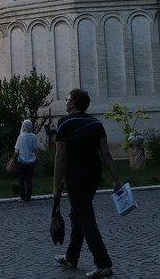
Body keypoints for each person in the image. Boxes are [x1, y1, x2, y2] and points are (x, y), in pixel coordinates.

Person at [53, 89, 124, 279]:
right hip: (93, 176)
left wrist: (56, 186)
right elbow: (105, 153)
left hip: (75, 176)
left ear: (73, 103)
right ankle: (71, 257)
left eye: (67, 99)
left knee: (85, 217)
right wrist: (116, 179)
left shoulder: (64, 123)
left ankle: (103, 263)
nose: (65, 101)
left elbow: (60, 157)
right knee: (78, 213)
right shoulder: (96, 124)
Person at [14, 118, 39, 203]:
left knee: (21, 180)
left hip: (21, 161)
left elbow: (17, 151)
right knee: (29, 180)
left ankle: (22, 197)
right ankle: (28, 198)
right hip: (31, 162)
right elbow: (35, 149)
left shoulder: (20, 137)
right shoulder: (33, 136)